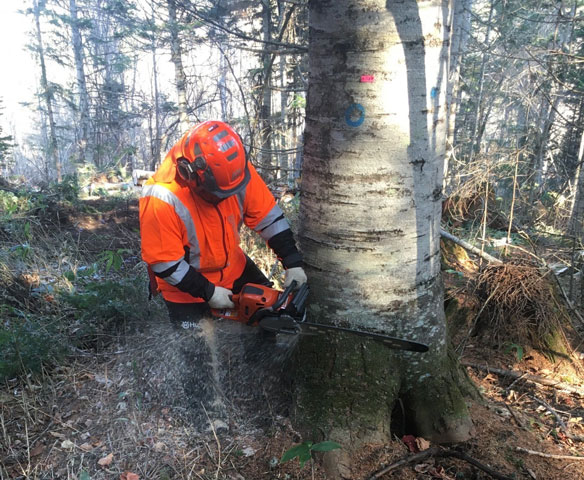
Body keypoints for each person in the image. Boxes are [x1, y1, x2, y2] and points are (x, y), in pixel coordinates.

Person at [139, 120, 307, 328]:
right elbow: (164, 262)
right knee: (197, 351)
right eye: (217, 193)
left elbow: (268, 218)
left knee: (267, 318)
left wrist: (292, 261)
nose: (224, 198)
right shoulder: (161, 197)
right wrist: (208, 292)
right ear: (189, 173)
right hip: (184, 286)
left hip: (232, 266)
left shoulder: (235, 171)